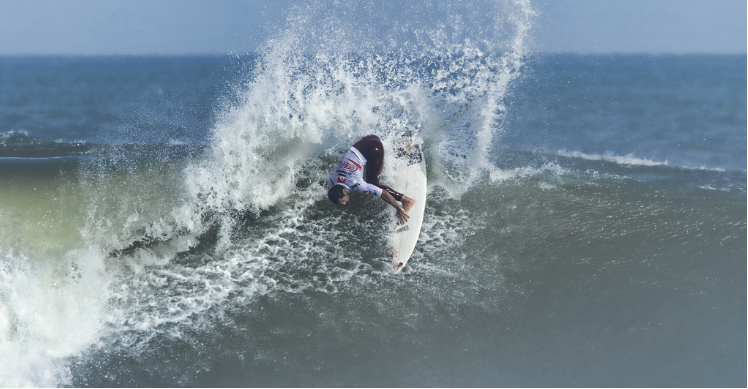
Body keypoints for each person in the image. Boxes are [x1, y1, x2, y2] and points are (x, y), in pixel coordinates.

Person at [326, 135, 415, 224]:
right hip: (367, 140)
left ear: (344, 191)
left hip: (374, 150)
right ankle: (405, 148)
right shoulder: (333, 180)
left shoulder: (357, 184)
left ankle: (407, 200)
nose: (344, 203)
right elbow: (328, 188)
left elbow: (384, 193)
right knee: (376, 166)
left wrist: (398, 208)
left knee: (373, 182)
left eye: (343, 201)